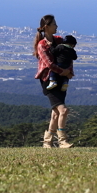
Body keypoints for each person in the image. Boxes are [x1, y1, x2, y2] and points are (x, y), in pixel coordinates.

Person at [33, 14, 73, 148]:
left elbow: (68, 55)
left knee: (56, 113)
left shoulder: (59, 40)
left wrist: (68, 71)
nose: (57, 26)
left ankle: (47, 141)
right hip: (48, 81)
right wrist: (64, 71)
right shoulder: (42, 45)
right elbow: (49, 64)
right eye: (54, 24)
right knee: (63, 110)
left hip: (62, 79)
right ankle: (62, 140)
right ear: (47, 27)